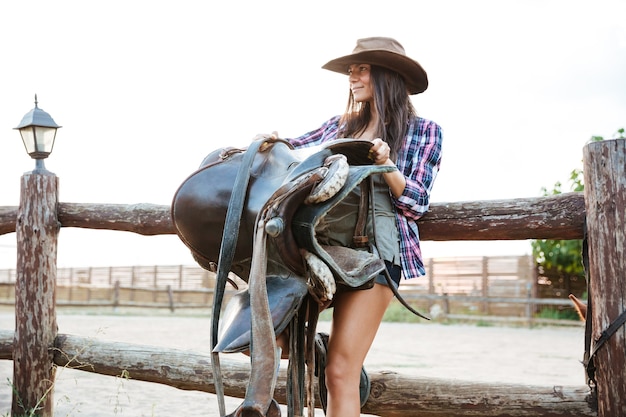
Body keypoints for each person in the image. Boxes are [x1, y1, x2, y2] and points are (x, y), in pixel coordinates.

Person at [263, 36, 443, 417]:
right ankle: (323, 345)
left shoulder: (424, 131)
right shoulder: (338, 125)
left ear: (386, 75)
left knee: (341, 373)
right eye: (351, 70)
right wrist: (269, 143)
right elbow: (293, 151)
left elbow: (415, 203)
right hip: (320, 246)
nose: (353, 77)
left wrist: (388, 164)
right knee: (268, 334)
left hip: (375, 254)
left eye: (362, 69)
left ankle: (337, 351)